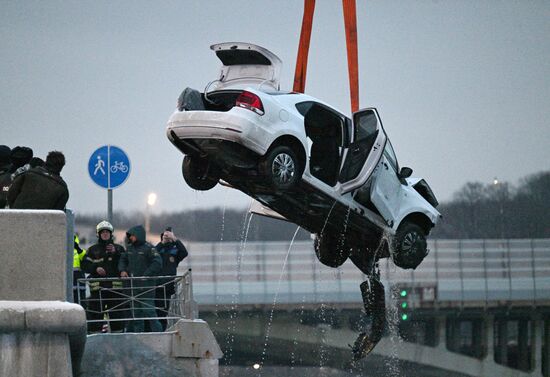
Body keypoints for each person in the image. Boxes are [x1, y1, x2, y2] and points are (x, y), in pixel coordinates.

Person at [81, 221, 127, 333]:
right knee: (95, 315)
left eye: (107, 232)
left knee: (117, 316)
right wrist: (95, 268)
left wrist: (116, 253)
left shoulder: (119, 249)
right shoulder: (92, 250)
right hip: (98, 290)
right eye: (103, 232)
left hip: (116, 291)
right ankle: (95, 337)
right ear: (98, 234)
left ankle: (119, 337)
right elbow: (85, 265)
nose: (105, 234)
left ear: (111, 234)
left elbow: (126, 263)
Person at [119, 225, 163, 333]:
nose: (130, 238)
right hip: (133, 287)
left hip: (146, 288)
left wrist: (146, 275)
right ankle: (139, 336)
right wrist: (122, 270)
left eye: (132, 236)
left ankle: (159, 334)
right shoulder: (129, 248)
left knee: (150, 313)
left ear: (138, 235)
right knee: (136, 316)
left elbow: (158, 262)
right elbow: (122, 260)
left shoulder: (149, 248)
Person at [154, 227, 188, 330]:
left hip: (167, 287)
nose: (167, 239)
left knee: (163, 312)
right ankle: (155, 330)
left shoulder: (175, 251)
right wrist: (162, 242)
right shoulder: (158, 249)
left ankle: (161, 331)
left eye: (169, 237)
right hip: (155, 286)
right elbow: (150, 254)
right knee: (153, 312)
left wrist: (175, 239)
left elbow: (184, 253)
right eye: (165, 237)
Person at [73, 234, 87, 307]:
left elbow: (86, 260)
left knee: (81, 303)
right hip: (70, 283)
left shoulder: (81, 251)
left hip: (79, 283)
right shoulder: (63, 251)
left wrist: (78, 248)